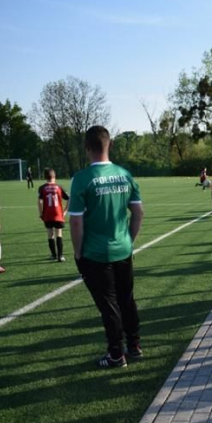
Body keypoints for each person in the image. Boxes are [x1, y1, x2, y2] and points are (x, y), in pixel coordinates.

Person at [69, 126, 144, 368]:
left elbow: (76, 221)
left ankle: (115, 354)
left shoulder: (81, 179)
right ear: (109, 144)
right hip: (123, 249)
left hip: (96, 254)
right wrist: (129, 240)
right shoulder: (125, 174)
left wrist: (78, 252)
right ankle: (133, 345)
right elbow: (138, 213)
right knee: (127, 299)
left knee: (109, 305)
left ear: (87, 147)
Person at [38, 168, 70, 262]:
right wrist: (65, 211)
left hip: (47, 215)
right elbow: (69, 199)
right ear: (54, 176)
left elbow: (40, 202)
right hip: (58, 215)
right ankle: (60, 256)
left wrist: (41, 214)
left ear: (45, 177)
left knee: (50, 234)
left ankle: (53, 255)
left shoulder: (42, 187)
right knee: (59, 234)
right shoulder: (59, 187)